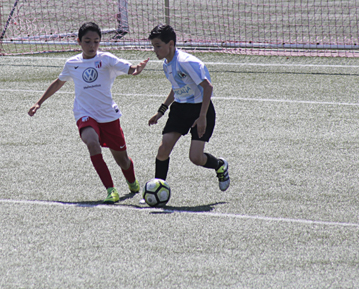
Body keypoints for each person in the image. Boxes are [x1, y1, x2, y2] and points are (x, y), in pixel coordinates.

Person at [28, 22, 149, 203]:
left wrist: (136, 70)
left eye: (96, 41)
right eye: (87, 41)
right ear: (79, 42)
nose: (92, 46)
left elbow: (130, 69)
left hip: (108, 115)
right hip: (85, 113)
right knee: (92, 143)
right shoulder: (72, 64)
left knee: (122, 160)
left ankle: (132, 181)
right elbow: (58, 82)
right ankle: (111, 190)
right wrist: (39, 102)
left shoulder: (106, 59)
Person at [147, 24, 230, 193]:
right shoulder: (166, 64)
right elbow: (176, 87)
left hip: (200, 109)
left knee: (196, 158)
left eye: (158, 46)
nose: (155, 50)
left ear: (170, 44)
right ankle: (158, 188)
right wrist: (161, 111)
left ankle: (219, 165)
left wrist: (202, 117)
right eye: (153, 46)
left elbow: (208, 88)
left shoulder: (186, 62)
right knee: (163, 150)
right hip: (179, 110)